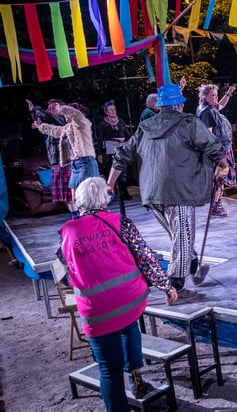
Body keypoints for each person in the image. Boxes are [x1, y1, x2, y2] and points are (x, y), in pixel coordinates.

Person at [58, 176, 177, 411]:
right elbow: (146, 257)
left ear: (80, 200)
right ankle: (135, 376)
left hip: (96, 312)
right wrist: (166, 286)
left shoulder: (67, 232)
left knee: (108, 371)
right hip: (128, 299)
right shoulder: (119, 222)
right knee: (128, 324)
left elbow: (62, 272)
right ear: (105, 199)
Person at [107, 83, 228, 298]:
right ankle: (176, 286)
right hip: (179, 192)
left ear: (161, 106)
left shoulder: (145, 127)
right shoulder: (189, 123)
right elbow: (213, 146)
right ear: (180, 105)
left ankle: (191, 262)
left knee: (178, 234)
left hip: (152, 194)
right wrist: (224, 165)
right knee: (181, 237)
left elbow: (122, 155)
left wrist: (109, 184)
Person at [33, 103, 99, 217]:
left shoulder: (82, 124)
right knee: (72, 195)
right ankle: (77, 218)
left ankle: (92, 218)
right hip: (75, 165)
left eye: (66, 113)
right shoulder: (68, 128)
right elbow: (55, 131)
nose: (64, 116)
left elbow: (76, 115)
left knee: (85, 195)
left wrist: (61, 108)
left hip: (85, 162)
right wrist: (40, 126)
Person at [196, 83, 237, 217]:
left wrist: (228, 93)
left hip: (221, 148)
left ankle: (216, 204)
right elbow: (208, 135)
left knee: (220, 178)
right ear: (205, 97)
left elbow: (220, 105)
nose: (215, 98)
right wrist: (217, 154)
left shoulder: (209, 108)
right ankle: (216, 206)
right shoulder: (206, 112)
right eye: (213, 96)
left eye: (216, 95)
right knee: (219, 178)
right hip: (218, 151)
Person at [27, 98, 75, 213]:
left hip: (67, 161)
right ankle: (75, 215)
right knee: (66, 196)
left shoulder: (63, 119)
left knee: (74, 193)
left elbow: (48, 117)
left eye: (54, 107)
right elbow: (44, 121)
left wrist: (35, 109)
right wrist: (37, 119)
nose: (50, 110)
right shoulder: (51, 123)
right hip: (56, 161)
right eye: (49, 108)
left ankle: (81, 215)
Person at [96, 100, 131, 201]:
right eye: (110, 110)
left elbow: (128, 135)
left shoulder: (121, 122)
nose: (113, 112)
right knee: (112, 172)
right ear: (106, 112)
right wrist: (99, 153)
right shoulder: (103, 124)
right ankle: (111, 194)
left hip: (122, 148)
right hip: (110, 150)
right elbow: (100, 139)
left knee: (123, 172)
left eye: (114, 109)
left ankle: (124, 192)